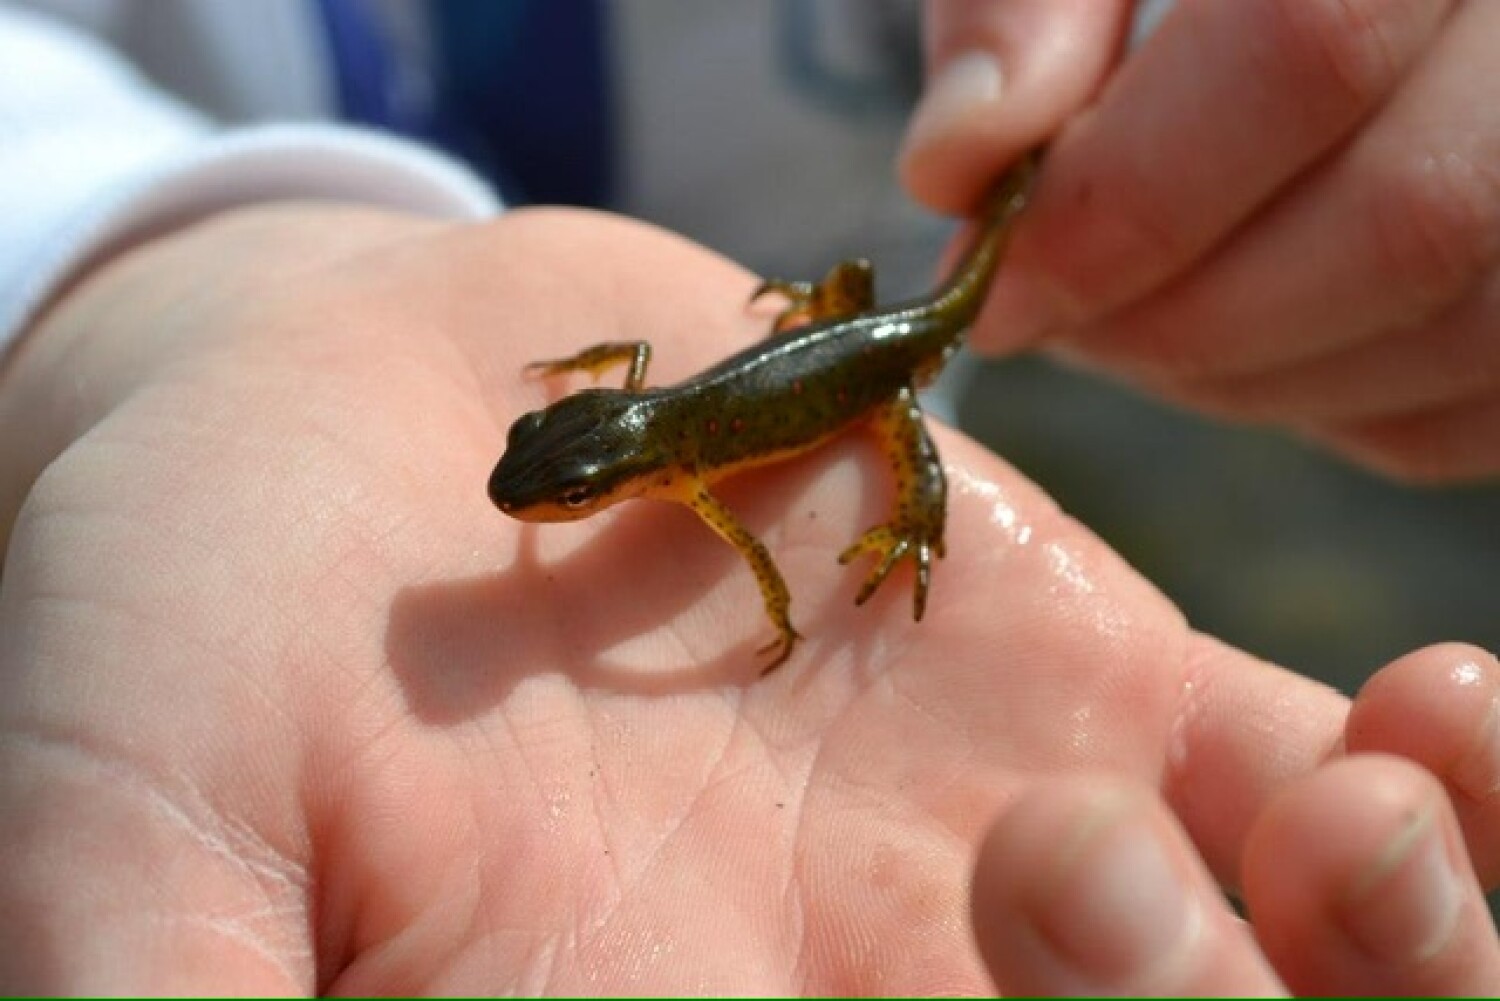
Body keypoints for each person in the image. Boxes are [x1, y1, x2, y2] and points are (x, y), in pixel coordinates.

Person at [1, 1, 1497, 994]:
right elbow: (654, 409)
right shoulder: (670, 452)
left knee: (888, 383)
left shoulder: (699, 474)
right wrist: (142, 290)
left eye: (567, 481)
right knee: (851, 321)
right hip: (826, 322)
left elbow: (752, 572)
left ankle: (913, 460)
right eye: (558, 478)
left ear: (624, 461)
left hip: (880, 356)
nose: (547, 506)